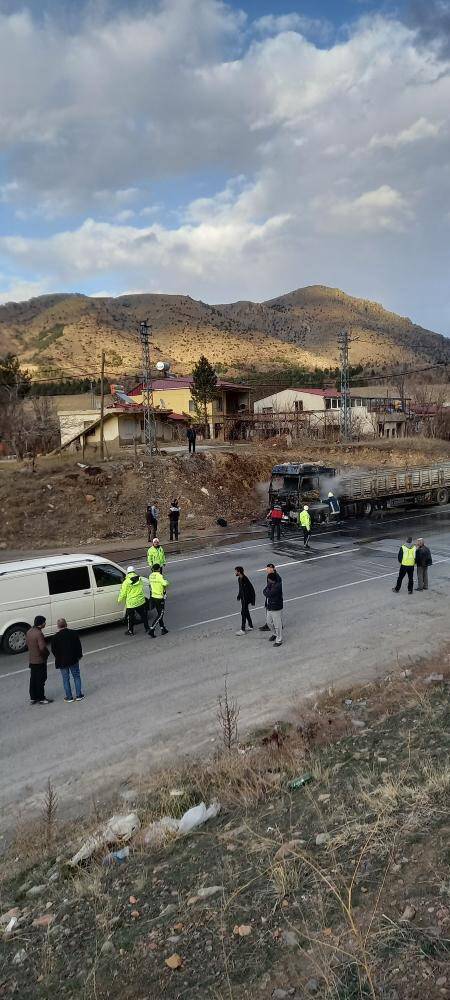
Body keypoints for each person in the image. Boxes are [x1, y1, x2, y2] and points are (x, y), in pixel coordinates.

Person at [50, 618, 84, 703]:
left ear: (58, 626)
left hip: (62, 661)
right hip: (73, 659)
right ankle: (79, 695)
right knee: (76, 676)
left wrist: (58, 657)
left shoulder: (55, 637)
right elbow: (78, 646)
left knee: (65, 679)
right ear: (66, 624)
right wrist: (79, 656)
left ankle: (69, 697)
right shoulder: (73, 633)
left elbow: (53, 650)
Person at [26, 615, 53, 705]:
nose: (45, 623)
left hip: (32, 660)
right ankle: (41, 698)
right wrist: (47, 654)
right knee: (41, 679)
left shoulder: (29, 631)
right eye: (44, 622)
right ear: (41, 624)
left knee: (33, 679)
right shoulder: (39, 633)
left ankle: (33, 697)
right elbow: (42, 648)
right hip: (39, 661)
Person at [118, 566, 150, 635]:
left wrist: (119, 600)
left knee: (130, 618)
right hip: (140, 601)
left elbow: (123, 593)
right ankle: (147, 628)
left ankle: (131, 631)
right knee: (143, 615)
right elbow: (141, 588)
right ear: (134, 571)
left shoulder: (126, 582)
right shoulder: (140, 579)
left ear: (128, 572)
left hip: (131, 603)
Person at [263, 572, 284, 646]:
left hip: (276, 607)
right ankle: (275, 634)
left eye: (269, 580)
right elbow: (264, 591)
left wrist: (267, 591)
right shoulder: (270, 584)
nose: (268, 581)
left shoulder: (277, 586)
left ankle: (279, 640)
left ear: (272, 580)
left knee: (277, 624)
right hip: (270, 606)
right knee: (269, 622)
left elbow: (267, 594)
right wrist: (267, 591)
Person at [149, 564, 169, 637]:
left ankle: (163, 628)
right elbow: (165, 583)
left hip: (154, 596)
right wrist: (166, 581)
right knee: (160, 614)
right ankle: (152, 629)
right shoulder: (159, 576)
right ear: (158, 569)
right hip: (159, 597)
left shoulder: (150, 576)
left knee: (159, 613)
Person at [260, 563, 282, 631]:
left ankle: (278, 626)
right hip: (270, 596)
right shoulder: (269, 576)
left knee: (276, 614)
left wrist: (267, 592)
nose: (267, 570)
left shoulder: (277, 577)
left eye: (269, 569)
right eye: (267, 569)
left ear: (273, 569)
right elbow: (268, 586)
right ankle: (268, 624)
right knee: (268, 609)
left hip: (275, 598)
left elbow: (276, 588)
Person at [235, 566, 256, 635]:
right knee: (245, 612)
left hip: (246, 599)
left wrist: (252, 600)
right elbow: (240, 589)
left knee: (243, 613)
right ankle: (251, 626)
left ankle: (243, 629)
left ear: (239, 572)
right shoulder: (239, 579)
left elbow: (251, 589)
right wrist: (239, 595)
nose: (235, 573)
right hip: (243, 599)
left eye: (236, 571)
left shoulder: (245, 579)